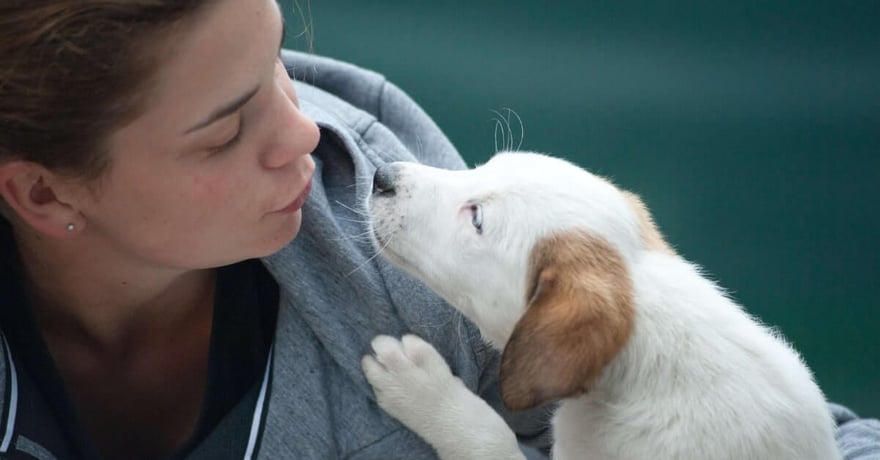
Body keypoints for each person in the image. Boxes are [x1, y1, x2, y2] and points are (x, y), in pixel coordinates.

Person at [0, 1, 875, 459]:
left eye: (276, 59)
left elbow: (793, 440)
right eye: (228, 130)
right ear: (40, 197)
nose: (306, 132)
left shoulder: (419, 286)